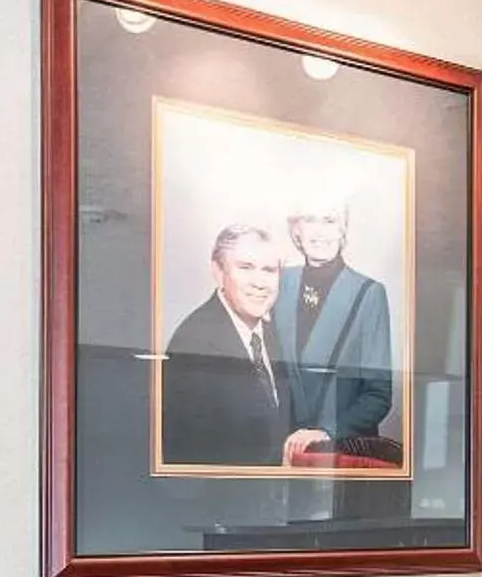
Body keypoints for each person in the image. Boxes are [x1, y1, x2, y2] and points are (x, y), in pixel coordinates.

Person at [159, 223, 296, 468]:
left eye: (269, 270)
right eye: (245, 268)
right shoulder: (194, 344)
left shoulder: (271, 331)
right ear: (218, 271)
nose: (260, 282)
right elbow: (190, 462)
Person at [270, 198, 396, 460]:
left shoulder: (369, 293)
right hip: (282, 453)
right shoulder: (277, 282)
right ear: (296, 230)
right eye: (310, 220)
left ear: (343, 230)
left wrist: (326, 432)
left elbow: (378, 395)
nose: (319, 232)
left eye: (330, 220)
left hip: (338, 454)